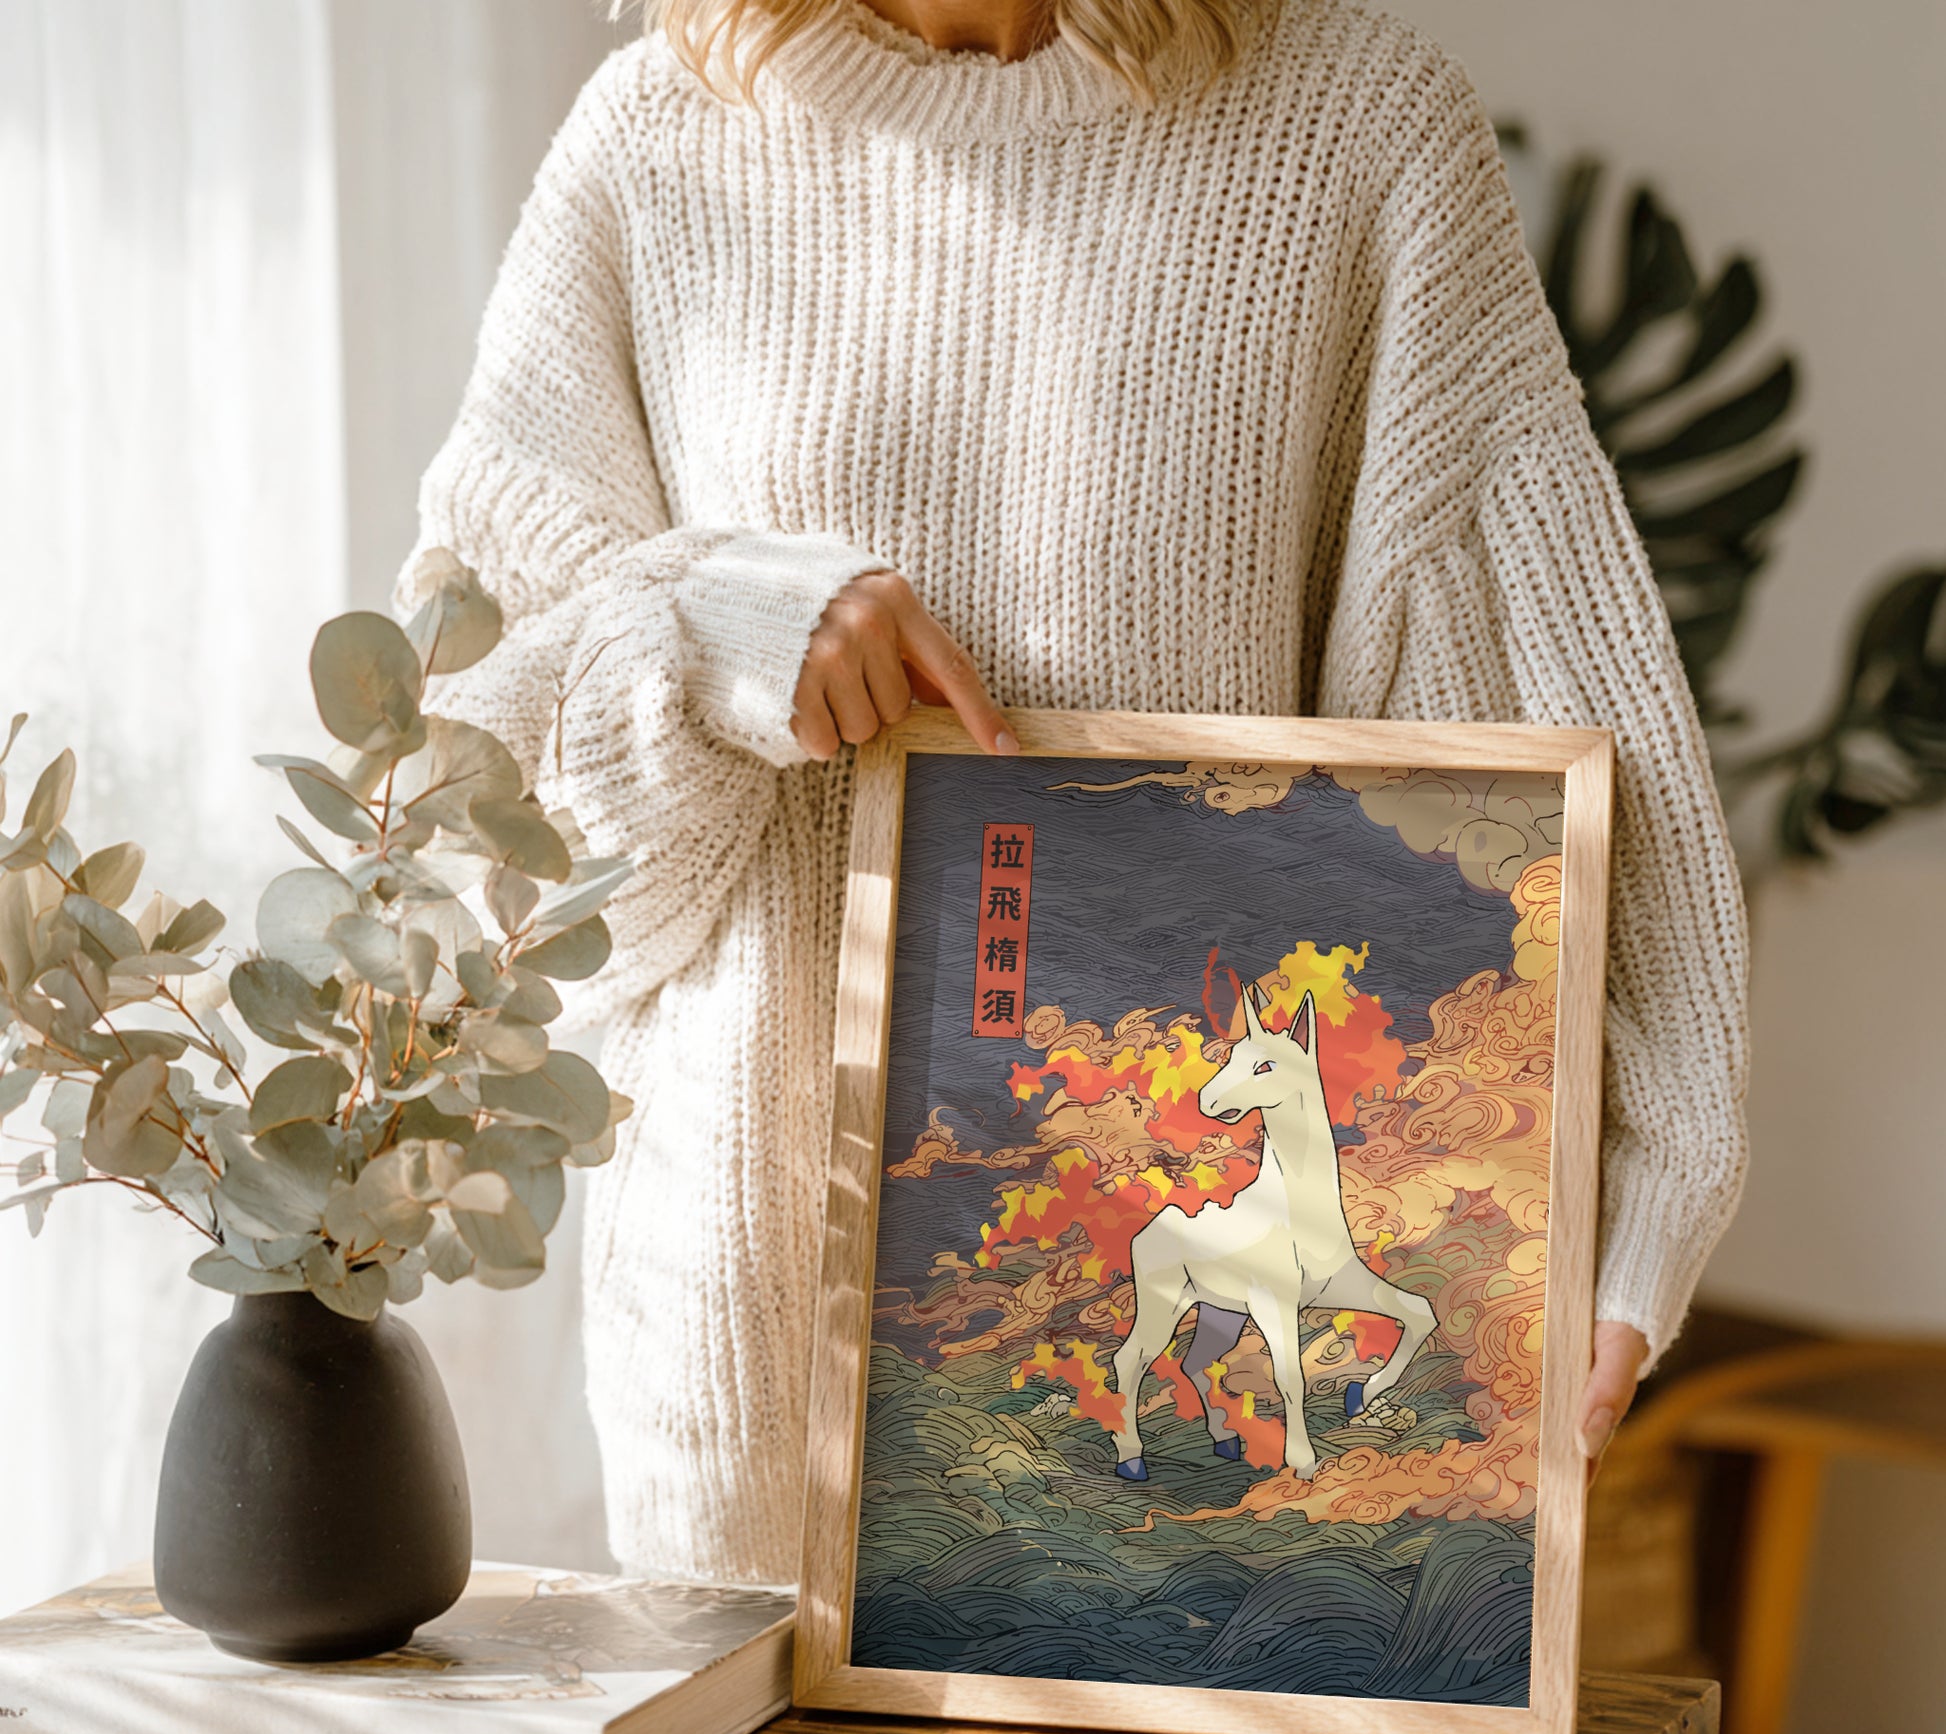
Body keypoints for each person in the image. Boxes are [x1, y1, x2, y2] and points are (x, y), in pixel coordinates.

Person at [395, 0, 1749, 1587]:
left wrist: (1638, 1179)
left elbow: (1534, 704)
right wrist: (710, 624)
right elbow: (468, 823)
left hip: (1187, 1386)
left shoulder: (1352, 128)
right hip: (745, 1348)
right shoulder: (654, 141)